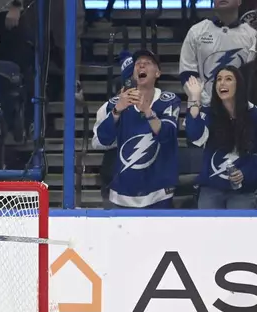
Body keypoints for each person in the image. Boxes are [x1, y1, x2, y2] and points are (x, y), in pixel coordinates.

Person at [91, 50, 181, 209]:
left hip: (158, 193)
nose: (141, 65)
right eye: (138, 63)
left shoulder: (168, 100)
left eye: (148, 63)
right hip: (121, 194)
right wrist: (118, 109)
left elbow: (167, 136)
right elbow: (103, 139)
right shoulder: (115, 104)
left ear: (157, 73)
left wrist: (147, 110)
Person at [184, 66, 257, 209]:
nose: (222, 83)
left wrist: (246, 173)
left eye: (228, 79)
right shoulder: (209, 113)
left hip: (243, 190)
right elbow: (195, 137)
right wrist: (194, 99)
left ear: (239, 85)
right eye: (219, 79)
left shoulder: (253, 114)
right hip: (211, 188)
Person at [179, 0, 256, 105]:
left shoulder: (252, 35)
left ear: (239, 1)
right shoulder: (196, 31)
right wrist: (209, 102)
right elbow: (187, 73)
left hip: (241, 110)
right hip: (203, 109)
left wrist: (238, 105)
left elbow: (252, 77)